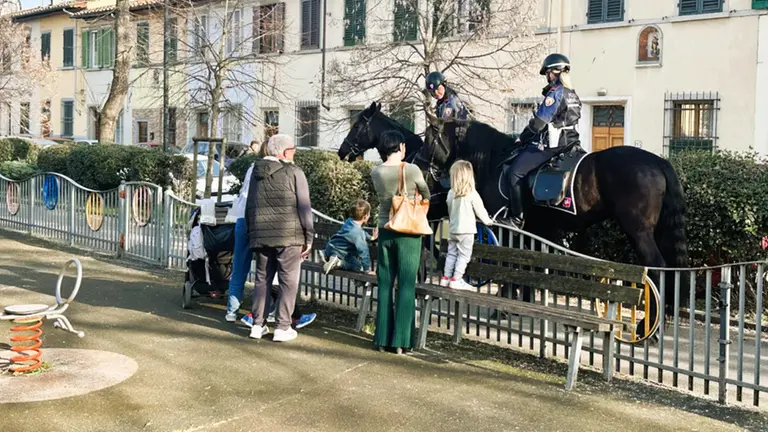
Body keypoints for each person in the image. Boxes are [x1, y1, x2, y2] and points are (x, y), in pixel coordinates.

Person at [245, 134, 314, 342]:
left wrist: (252, 232)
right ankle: (283, 326)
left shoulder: (256, 173)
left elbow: (250, 205)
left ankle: (258, 325)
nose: (295, 153)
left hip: (261, 234)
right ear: (285, 152)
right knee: (288, 281)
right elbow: (304, 207)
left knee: (262, 279)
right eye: (293, 149)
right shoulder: (294, 172)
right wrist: (309, 236)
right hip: (289, 236)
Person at [502, 53, 582, 228]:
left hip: (553, 144)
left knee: (515, 171)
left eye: (547, 73)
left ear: (554, 72)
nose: (547, 77)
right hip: (572, 142)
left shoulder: (556, 92)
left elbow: (539, 123)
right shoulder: (572, 93)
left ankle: (516, 218)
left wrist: (522, 138)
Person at [370, 130, 430, 354]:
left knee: (385, 284)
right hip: (408, 232)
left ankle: (382, 338)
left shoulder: (376, 172)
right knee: (406, 285)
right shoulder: (411, 169)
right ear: (401, 147)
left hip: (385, 231)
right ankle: (401, 341)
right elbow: (425, 193)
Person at [440, 160, 494, 291]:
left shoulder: (451, 193)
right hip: (466, 230)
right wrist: (488, 221)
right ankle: (456, 279)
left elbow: (449, 209)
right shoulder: (471, 193)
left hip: (453, 229)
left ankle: (445, 278)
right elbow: (480, 210)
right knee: (464, 256)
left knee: (451, 254)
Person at [322, 199, 379, 275]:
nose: (369, 216)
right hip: (340, 254)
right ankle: (338, 263)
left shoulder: (349, 222)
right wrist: (367, 270)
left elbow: (361, 233)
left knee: (352, 260)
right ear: (365, 217)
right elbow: (364, 252)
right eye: (369, 214)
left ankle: (327, 256)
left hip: (330, 248)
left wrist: (370, 238)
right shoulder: (358, 233)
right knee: (357, 266)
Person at [425, 71, 470, 141]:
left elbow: (445, 122)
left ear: (444, 84)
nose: (436, 93)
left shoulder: (452, 100)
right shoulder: (440, 104)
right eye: (433, 92)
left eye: (438, 89)